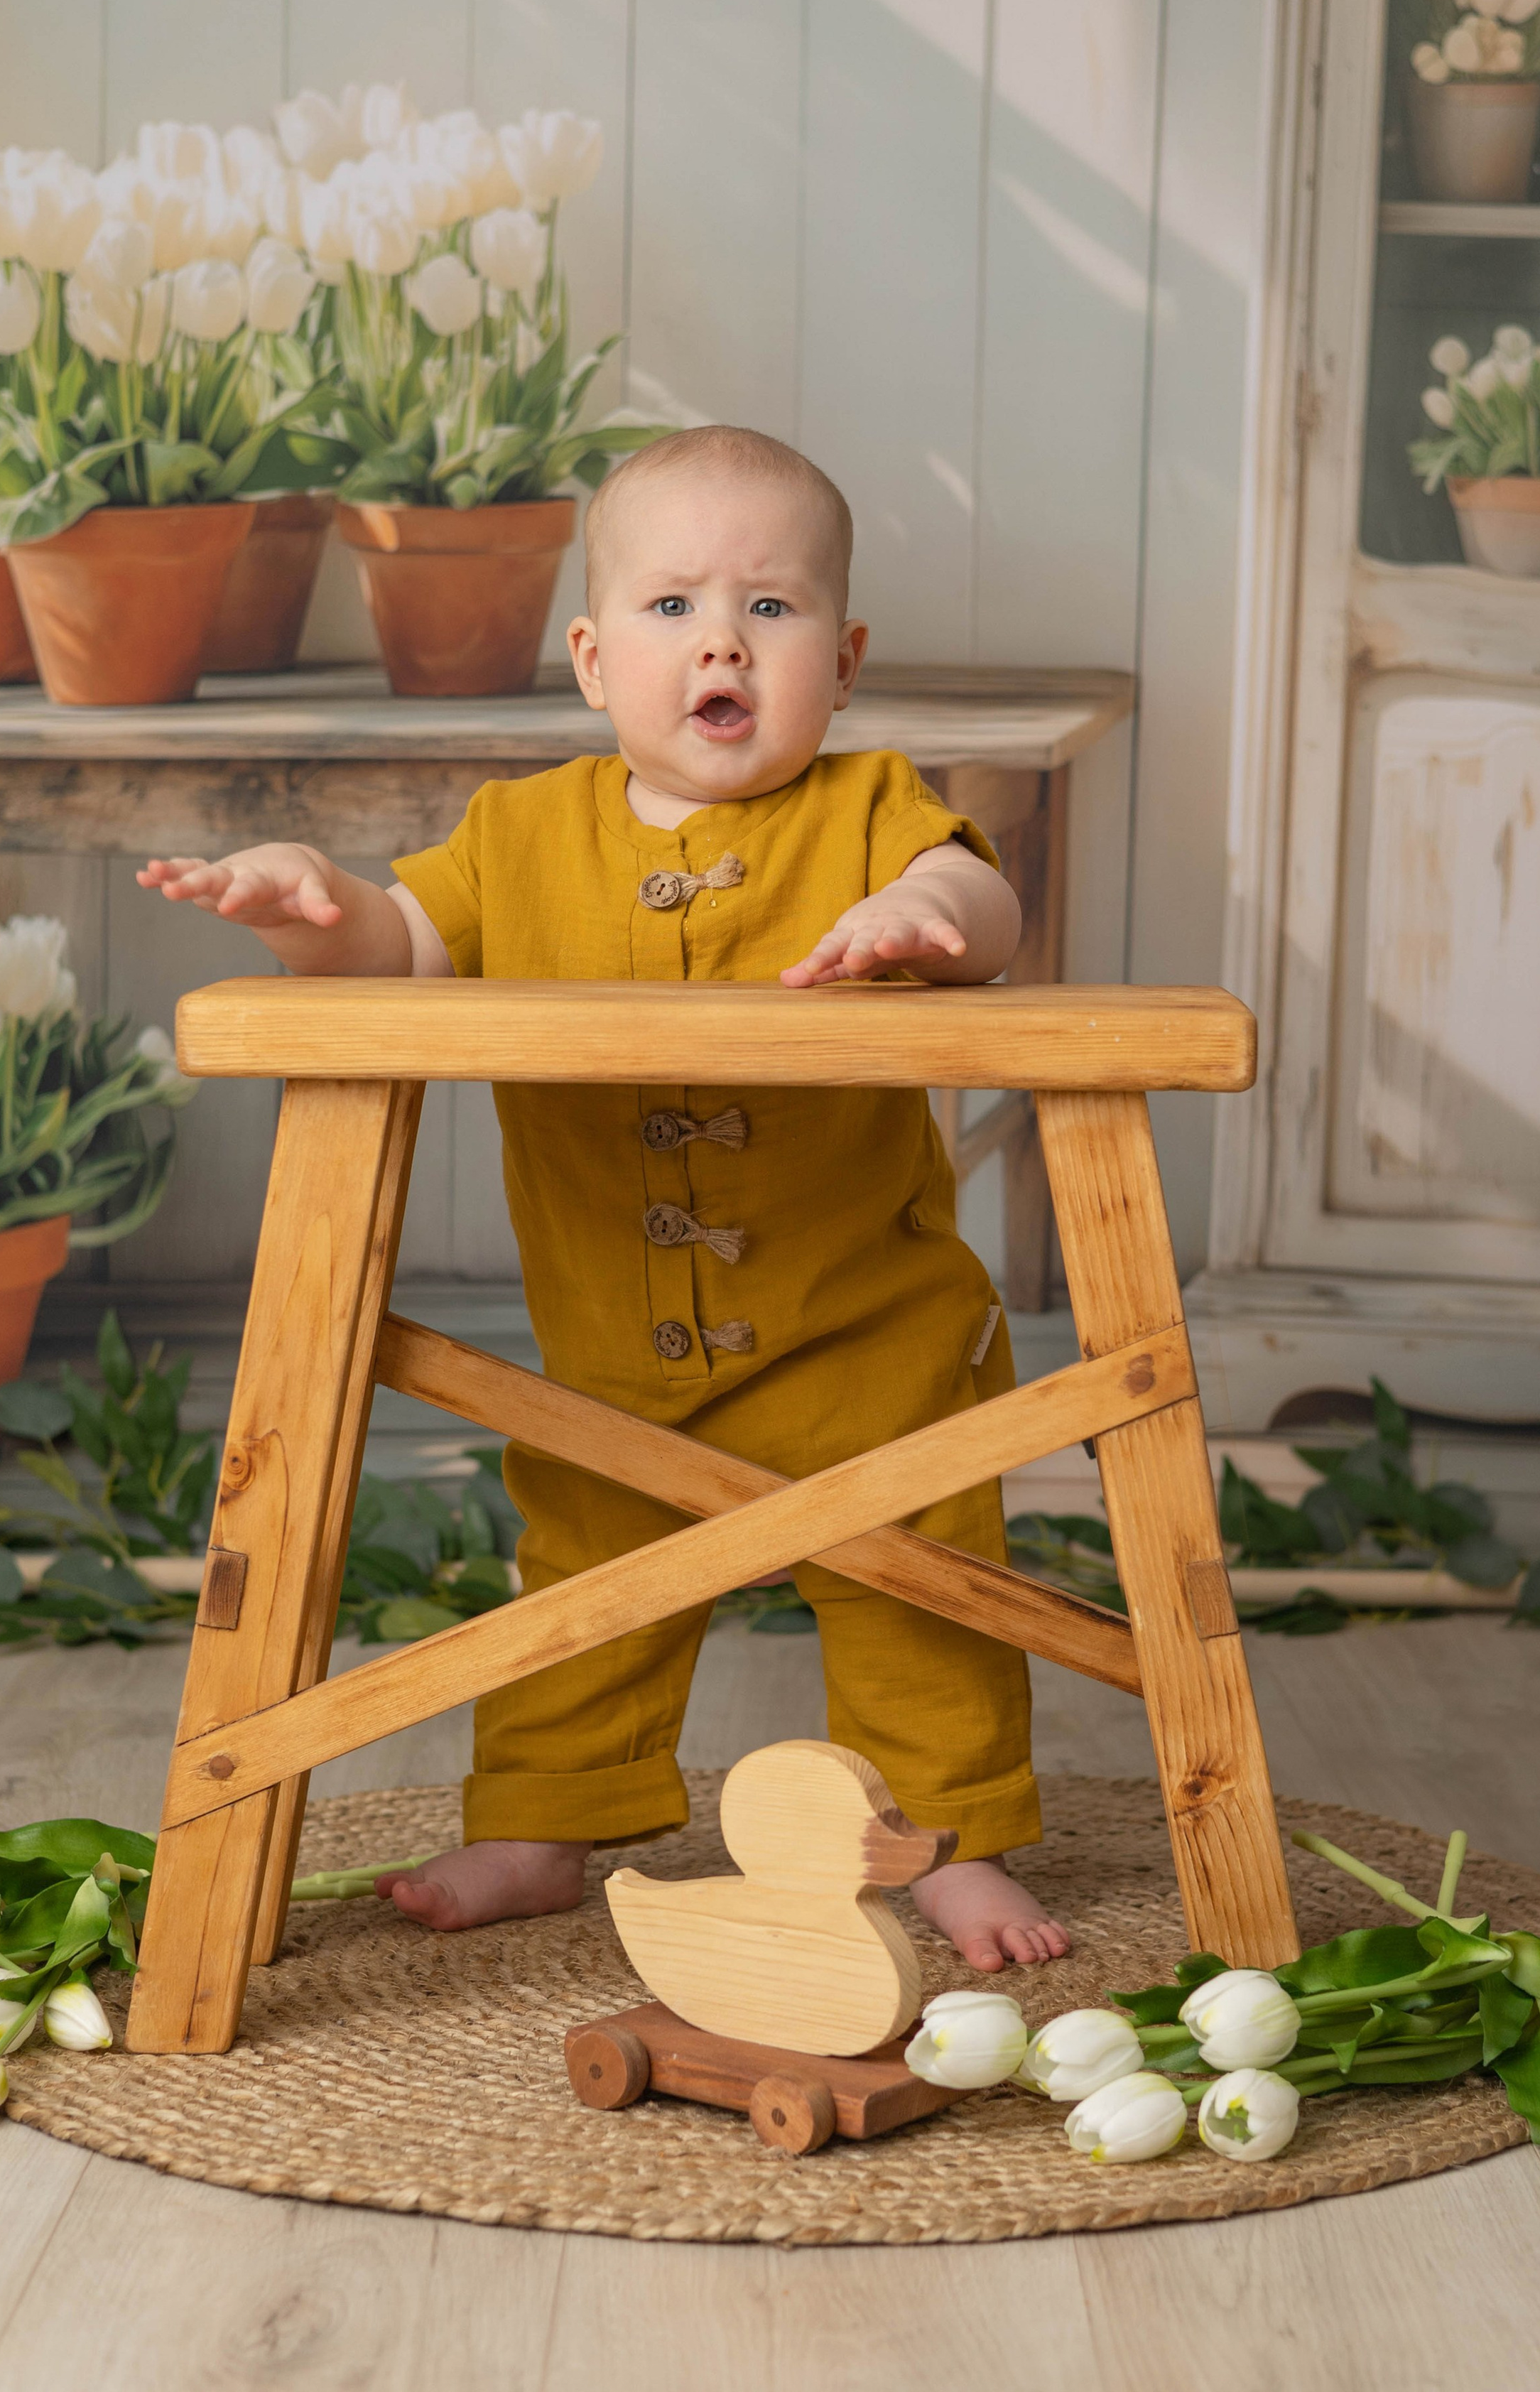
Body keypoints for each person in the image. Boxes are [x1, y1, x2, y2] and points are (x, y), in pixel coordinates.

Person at [139, 425, 1070, 1971]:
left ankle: (946, 1842)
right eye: (670, 608)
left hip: (872, 1340)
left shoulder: (865, 815)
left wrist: (922, 911)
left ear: (839, 662)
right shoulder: (518, 839)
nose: (721, 639)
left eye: (770, 612)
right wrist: (316, 907)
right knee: (583, 1592)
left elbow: (986, 905)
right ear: (589, 660)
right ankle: (541, 1831)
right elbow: (402, 947)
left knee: (919, 1586)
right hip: (614, 1360)